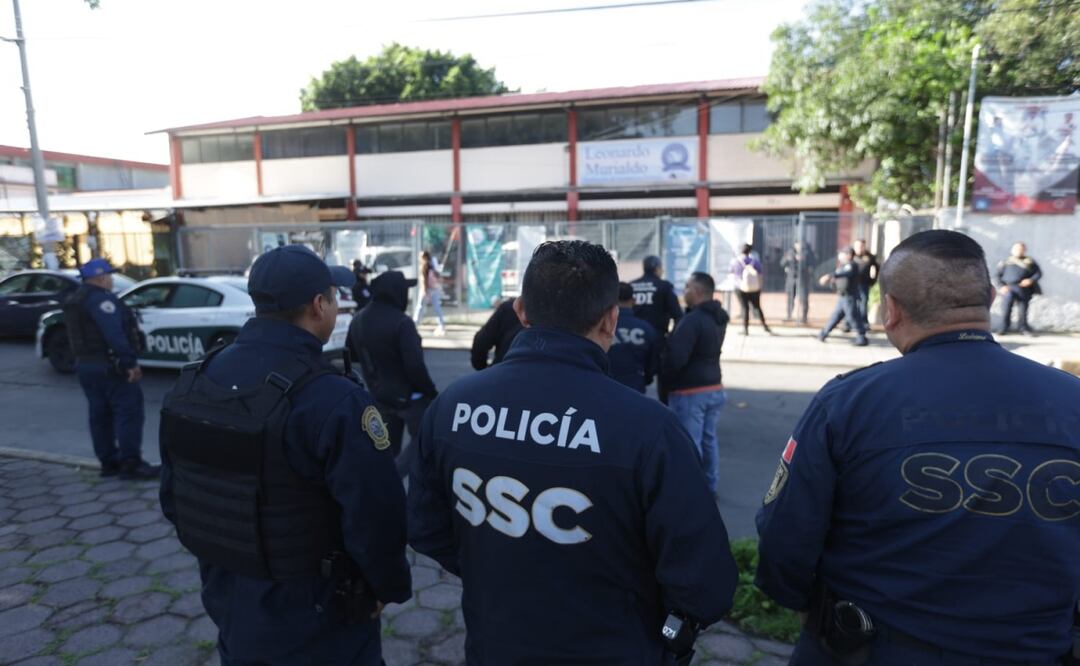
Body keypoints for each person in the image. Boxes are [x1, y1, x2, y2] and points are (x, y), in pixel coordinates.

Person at [755, 229, 1080, 665]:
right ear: (987, 296)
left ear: (890, 311)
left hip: (871, 650)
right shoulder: (1071, 399)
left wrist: (801, 605)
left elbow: (785, 540)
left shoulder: (850, 403)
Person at [407, 241, 738, 664]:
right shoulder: (649, 429)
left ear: (522, 311)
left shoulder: (453, 407)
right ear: (610, 321)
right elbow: (706, 583)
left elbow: (424, 528)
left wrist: (501, 568)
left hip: (494, 644)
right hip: (615, 645)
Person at [158, 245, 411, 665]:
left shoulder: (193, 382)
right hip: (319, 614)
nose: (336, 305)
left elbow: (173, 499)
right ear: (318, 305)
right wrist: (385, 587)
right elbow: (377, 515)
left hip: (229, 596)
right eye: (333, 296)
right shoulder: (335, 399)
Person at [63, 258, 157, 480]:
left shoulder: (76, 300)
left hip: (86, 366)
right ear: (101, 277)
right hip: (109, 367)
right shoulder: (101, 300)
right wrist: (130, 363)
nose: (112, 280)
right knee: (128, 413)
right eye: (110, 276)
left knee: (100, 415)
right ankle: (131, 464)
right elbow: (114, 334)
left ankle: (109, 462)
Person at [348, 270, 438, 475]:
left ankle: (385, 486)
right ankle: (397, 476)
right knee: (423, 441)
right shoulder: (402, 322)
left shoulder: (359, 319)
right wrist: (431, 392)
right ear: (396, 292)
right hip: (411, 398)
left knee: (385, 447)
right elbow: (414, 366)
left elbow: (352, 355)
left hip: (379, 395)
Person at [663, 272, 729, 494]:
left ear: (698, 291)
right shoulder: (717, 316)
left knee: (690, 443)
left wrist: (667, 380)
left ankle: (692, 491)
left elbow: (676, 358)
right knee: (708, 439)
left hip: (691, 390)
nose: (684, 291)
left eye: (688, 287)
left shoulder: (692, 320)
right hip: (713, 386)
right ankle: (709, 484)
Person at [630, 255, 683, 404]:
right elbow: (678, 315)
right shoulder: (664, 286)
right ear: (657, 268)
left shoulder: (632, 286)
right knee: (663, 378)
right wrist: (673, 337)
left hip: (634, 339)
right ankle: (664, 409)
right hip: (658, 339)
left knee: (634, 377)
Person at [607, 282, 660, 393]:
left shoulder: (600, 327)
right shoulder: (646, 328)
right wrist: (645, 379)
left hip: (606, 388)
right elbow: (653, 364)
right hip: (635, 388)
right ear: (633, 300)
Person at [817, 248, 868, 346]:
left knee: (853, 317)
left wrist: (830, 276)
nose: (840, 256)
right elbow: (840, 278)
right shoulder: (843, 265)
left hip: (849, 297)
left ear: (849, 255)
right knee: (835, 316)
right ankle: (823, 334)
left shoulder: (852, 265)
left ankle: (862, 337)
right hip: (842, 297)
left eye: (843, 254)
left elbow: (845, 273)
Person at [995, 241, 1042, 336]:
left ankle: (1024, 329)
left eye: (1021, 249)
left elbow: (1038, 273)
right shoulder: (1006, 262)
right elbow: (997, 276)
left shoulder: (1030, 261)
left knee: (1023, 309)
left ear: (1024, 250)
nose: (1019, 251)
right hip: (1009, 288)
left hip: (1023, 289)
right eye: (1017, 249)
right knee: (1006, 308)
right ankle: (1004, 328)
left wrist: (1030, 280)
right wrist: (1002, 286)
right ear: (1012, 250)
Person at [729, 244, 773, 335]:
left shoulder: (735, 262)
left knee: (745, 308)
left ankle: (745, 329)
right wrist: (759, 286)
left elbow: (731, 273)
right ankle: (764, 326)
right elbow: (760, 274)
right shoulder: (755, 261)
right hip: (754, 288)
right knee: (757, 307)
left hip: (740, 287)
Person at [469, 296, 522, 371]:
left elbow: (481, 341)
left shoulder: (509, 308)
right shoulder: (510, 308)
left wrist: (483, 369)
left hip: (503, 371)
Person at [413, 250, 446, 336]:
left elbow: (424, 279)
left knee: (420, 307)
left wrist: (424, 290)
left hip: (427, 289)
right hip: (434, 288)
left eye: (420, 257)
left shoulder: (424, 266)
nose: (419, 258)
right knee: (437, 307)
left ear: (423, 257)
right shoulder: (432, 265)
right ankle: (442, 325)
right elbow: (438, 276)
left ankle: (414, 324)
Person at [851, 238, 879, 329]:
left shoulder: (869, 256)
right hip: (851, 284)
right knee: (851, 303)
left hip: (864, 283)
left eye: (861, 246)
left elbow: (877, 267)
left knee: (863, 303)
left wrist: (873, 279)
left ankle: (864, 323)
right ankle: (849, 322)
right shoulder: (851, 255)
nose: (859, 248)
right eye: (857, 246)